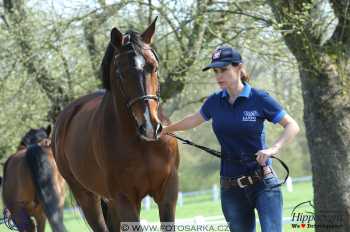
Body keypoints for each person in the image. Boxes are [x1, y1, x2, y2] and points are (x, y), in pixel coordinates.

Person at [160, 46, 300, 232]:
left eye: (224, 69)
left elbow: (292, 126)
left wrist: (273, 149)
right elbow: (193, 120)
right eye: (216, 71)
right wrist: (166, 129)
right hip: (231, 188)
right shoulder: (214, 102)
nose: (219, 76)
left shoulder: (259, 99)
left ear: (239, 68)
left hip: (263, 184)